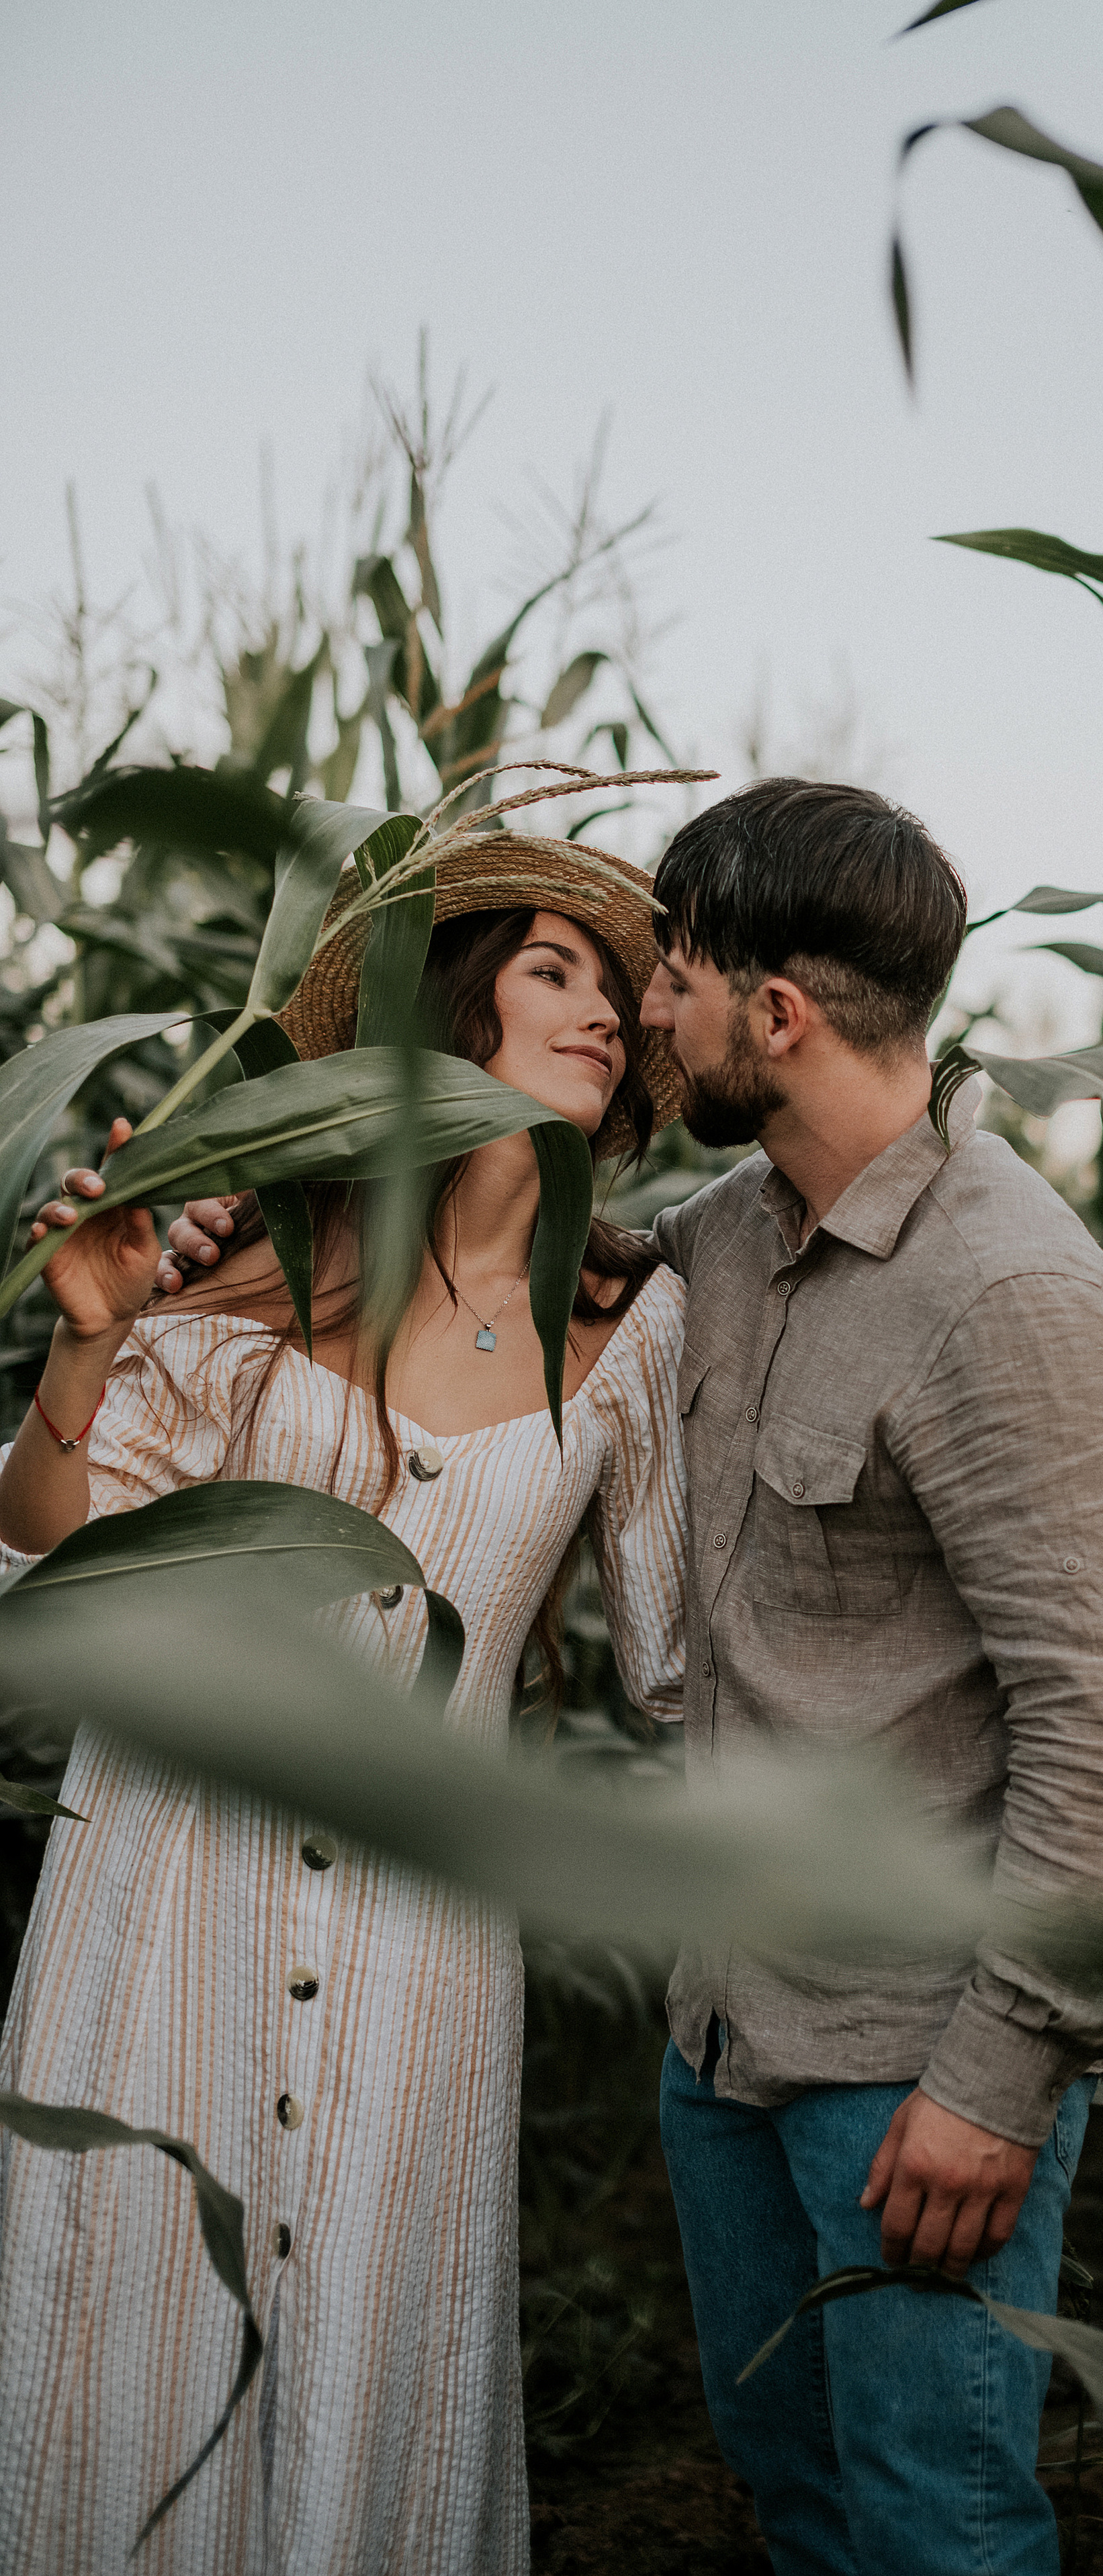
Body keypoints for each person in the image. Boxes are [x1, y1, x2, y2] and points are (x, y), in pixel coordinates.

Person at [167, 777, 1103, 2576]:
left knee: (938, 2526)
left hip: (909, 2066)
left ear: (774, 1017)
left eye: (676, 977)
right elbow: (483, 1286)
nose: (646, 1013)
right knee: (798, 2501)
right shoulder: (723, 1245)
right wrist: (235, 1254)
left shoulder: (1009, 1296)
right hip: (726, 2037)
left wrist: (997, 2079)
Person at [0, 836, 689, 2575]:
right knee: (135, 2334)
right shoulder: (245, 1264)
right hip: (162, 1901)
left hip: (421, 1949)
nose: (603, 1006)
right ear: (451, 1008)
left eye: (621, 988)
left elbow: (687, 1655)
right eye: (555, 968)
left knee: (372, 2371)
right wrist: (85, 1340)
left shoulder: (639, 1327)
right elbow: (45, 1569)